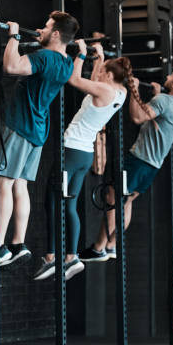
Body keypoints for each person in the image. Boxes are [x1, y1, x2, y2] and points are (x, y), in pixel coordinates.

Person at [0, 11, 80, 270]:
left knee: (4, 184)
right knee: (20, 185)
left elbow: (11, 66)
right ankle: (18, 243)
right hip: (38, 132)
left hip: (21, 127)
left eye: (46, 26)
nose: (40, 30)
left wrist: (14, 35)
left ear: (55, 34)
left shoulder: (45, 57)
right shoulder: (66, 63)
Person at [80, 68, 173, 262]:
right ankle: (110, 246)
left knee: (113, 198)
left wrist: (134, 89)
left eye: (171, 76)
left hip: (140, 160)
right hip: (152, 166)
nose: (167, 76)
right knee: (127, 201)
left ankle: (98, 247)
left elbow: (137, 117)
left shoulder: (164, 101)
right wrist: (158, 94)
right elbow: (162, 112)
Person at [34, 50, 131, 281]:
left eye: (103, 71)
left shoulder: (105, 89)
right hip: (85, 154)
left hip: (71, 151)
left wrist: (80, 55)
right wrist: (98, 60)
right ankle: (70, 256)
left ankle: (51, 257)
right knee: (69, 205)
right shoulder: (121, 92)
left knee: (52, 202)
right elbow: (97, 82)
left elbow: (74, 79)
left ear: (109, 75)